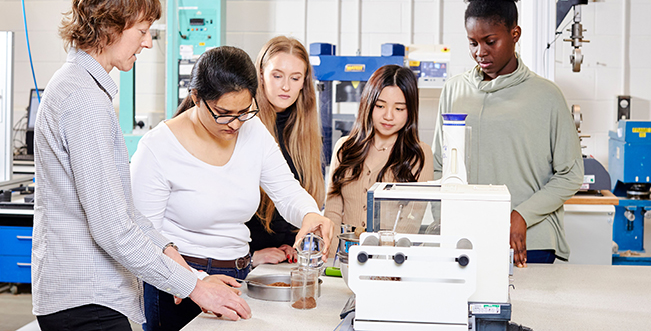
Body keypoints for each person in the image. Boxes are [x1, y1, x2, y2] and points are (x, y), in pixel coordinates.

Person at [32, 0, 250, 331]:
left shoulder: (80, 88)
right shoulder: (85, 101)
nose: (148, 43)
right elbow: (113, 229)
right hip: (87, 301)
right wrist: (195, 288)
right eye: (142, 30)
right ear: (109, 27)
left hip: (86, 298)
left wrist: (173, 257)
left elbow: (123, 210)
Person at [130, 45, 334, 331]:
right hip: (178, 284)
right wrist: (196, 282)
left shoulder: (254, 131)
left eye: (244, 111)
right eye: (224, 113)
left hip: (238, 275)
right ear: (196, 97)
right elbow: (143, 237)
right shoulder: (158, 148)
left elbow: (287, 190)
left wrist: (310, 215)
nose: (236, 124)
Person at [432, 0, 583, 267]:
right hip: (467, 241)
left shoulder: (546, 95)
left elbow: (570, 174)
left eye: (490, 41)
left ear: (515, 34)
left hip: (529, 242)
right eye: (473, 42)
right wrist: (445, 223)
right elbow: (441, 164)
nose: (480, 52)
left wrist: (521, 215)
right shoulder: (454, 89)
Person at [324, 64, 434, 257]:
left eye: (399, 108)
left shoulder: (419, 155)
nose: (388, 116)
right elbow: (332, 212)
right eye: (380, 106)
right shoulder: (345, 148)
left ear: (410, 111)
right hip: (343, 258)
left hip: (389, 262)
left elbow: (411, 221)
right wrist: (332, 260)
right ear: (368, 104)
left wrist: (381, 263)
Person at [245, 36, 325, 266]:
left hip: (282, 260)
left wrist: (293, 242)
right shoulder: (243, 124)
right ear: (261, 75)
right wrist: (250, 256)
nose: (286, 86)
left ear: (304, 82)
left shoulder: (305, 134)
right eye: (277, 75)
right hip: (240, 259)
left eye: (295, 78)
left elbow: (297, 198)